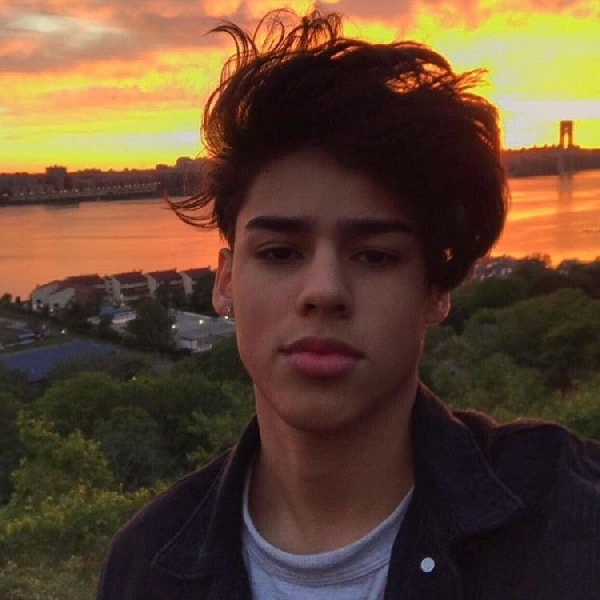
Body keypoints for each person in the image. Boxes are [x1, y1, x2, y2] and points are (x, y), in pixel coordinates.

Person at [97, 10, 599, 600]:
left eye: (377, 256)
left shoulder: (569, 521)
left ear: (437, 290)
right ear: (227, 282)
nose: (324, 291)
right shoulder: (147, 568)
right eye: (280, 252)